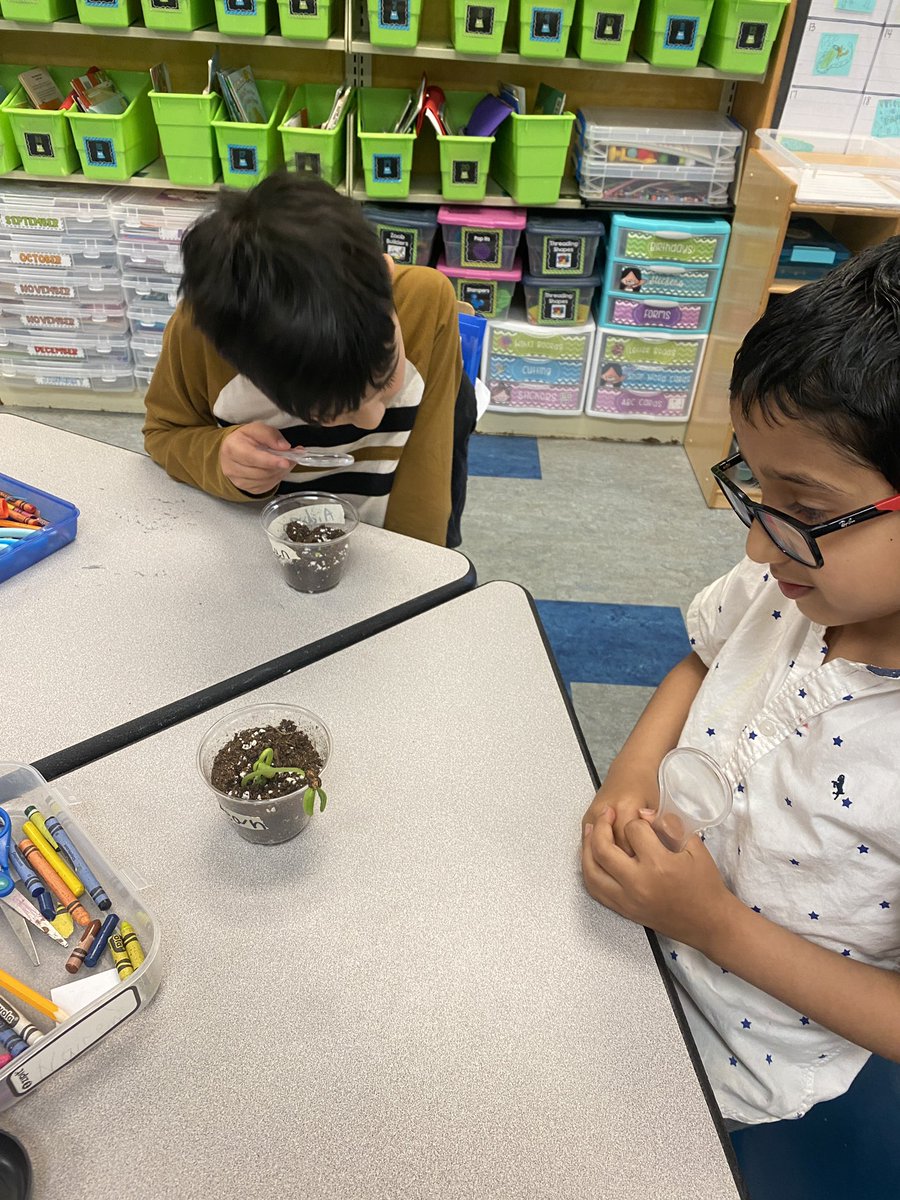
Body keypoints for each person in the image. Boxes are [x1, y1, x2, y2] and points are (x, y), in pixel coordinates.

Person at [581, 237, 900, 1127]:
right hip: (632, 940)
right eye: (752, 491)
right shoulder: (787, 583)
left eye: (799, 509)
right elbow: (699, 658)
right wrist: (631, 778)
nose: (757, 547)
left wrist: (714, 926)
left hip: (743, 1064)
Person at [143, 174, 473, 548]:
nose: (373, 418)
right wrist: (219, 458)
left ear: (385, 271)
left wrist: (416, 565)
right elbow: (164, 434)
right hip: (263, 546)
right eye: (326, 413)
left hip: (385, 538)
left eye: (382, 382)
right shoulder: (197, 334)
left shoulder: (427, 303)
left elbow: (427, 470)